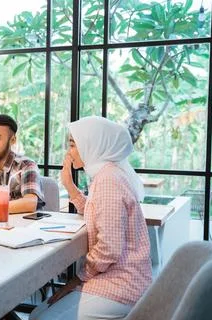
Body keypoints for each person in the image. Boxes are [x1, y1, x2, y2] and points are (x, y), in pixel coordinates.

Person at [30, 116, 151, 320]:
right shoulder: (107, 175)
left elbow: (109, 250)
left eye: (73, 145)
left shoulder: (108, 180)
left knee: (41, 318)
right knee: (36, 314)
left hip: (122, 284)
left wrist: (75, 280)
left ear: (93, 145)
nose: (69, 152)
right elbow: (98, 212)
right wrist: (69, 185)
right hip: (115, 277)